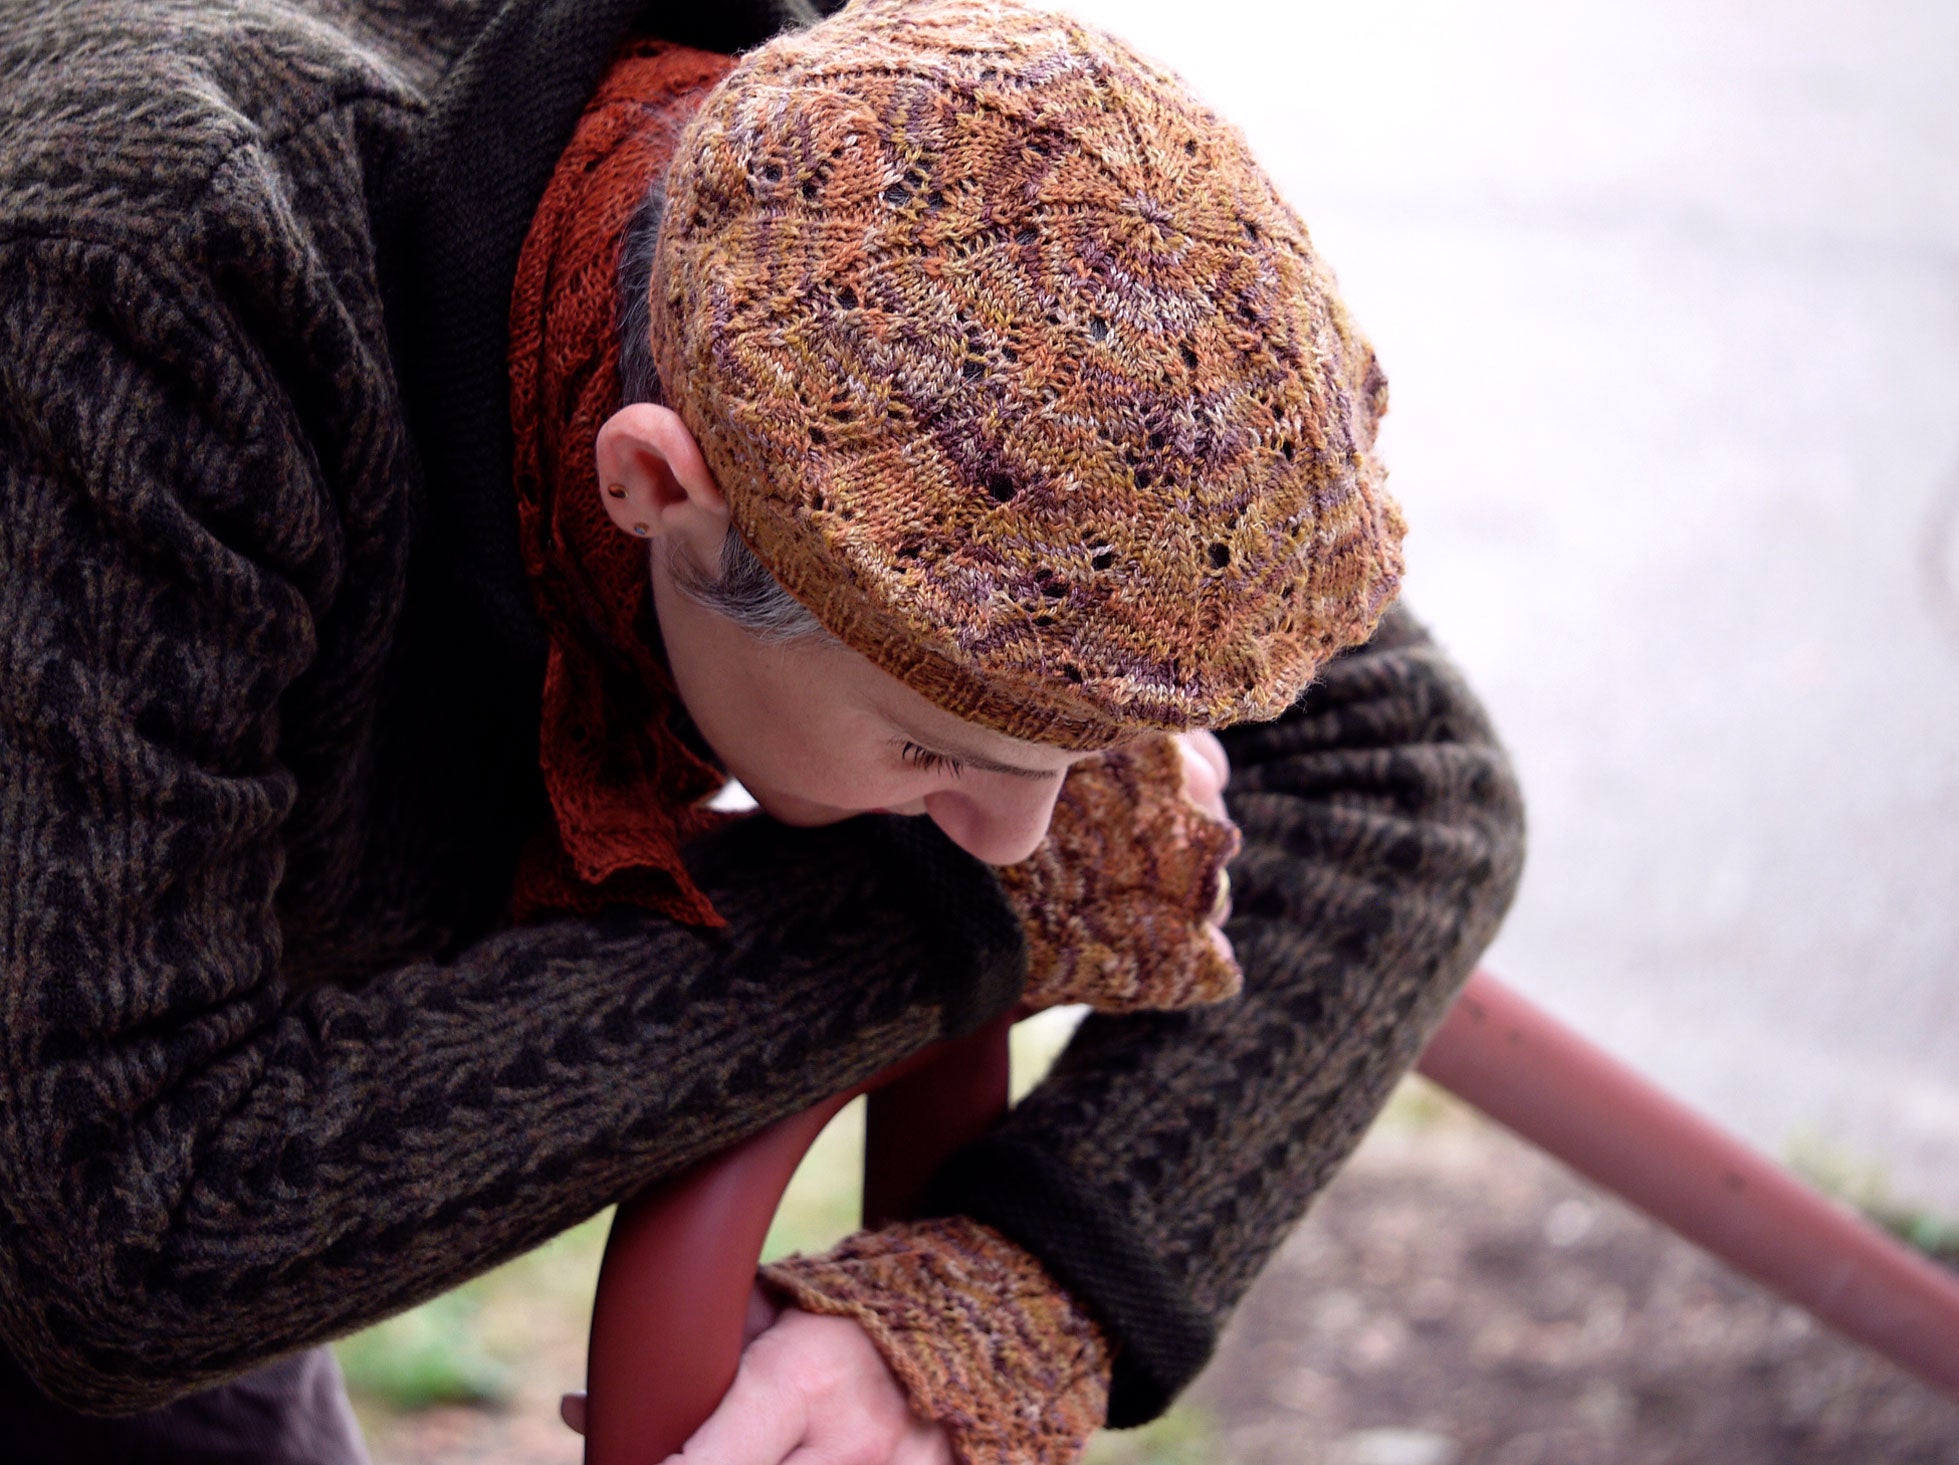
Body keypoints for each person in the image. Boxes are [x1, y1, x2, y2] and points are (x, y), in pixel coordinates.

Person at [0, 0, 1526, 1462]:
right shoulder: (138, 289)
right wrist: (924, 924)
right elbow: (125, 1225)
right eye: (937, 747)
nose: (1027, 832)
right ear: (658, 489)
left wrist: (1018, 1286)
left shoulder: (949, 205)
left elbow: (1409, 785)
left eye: (1073, 759)